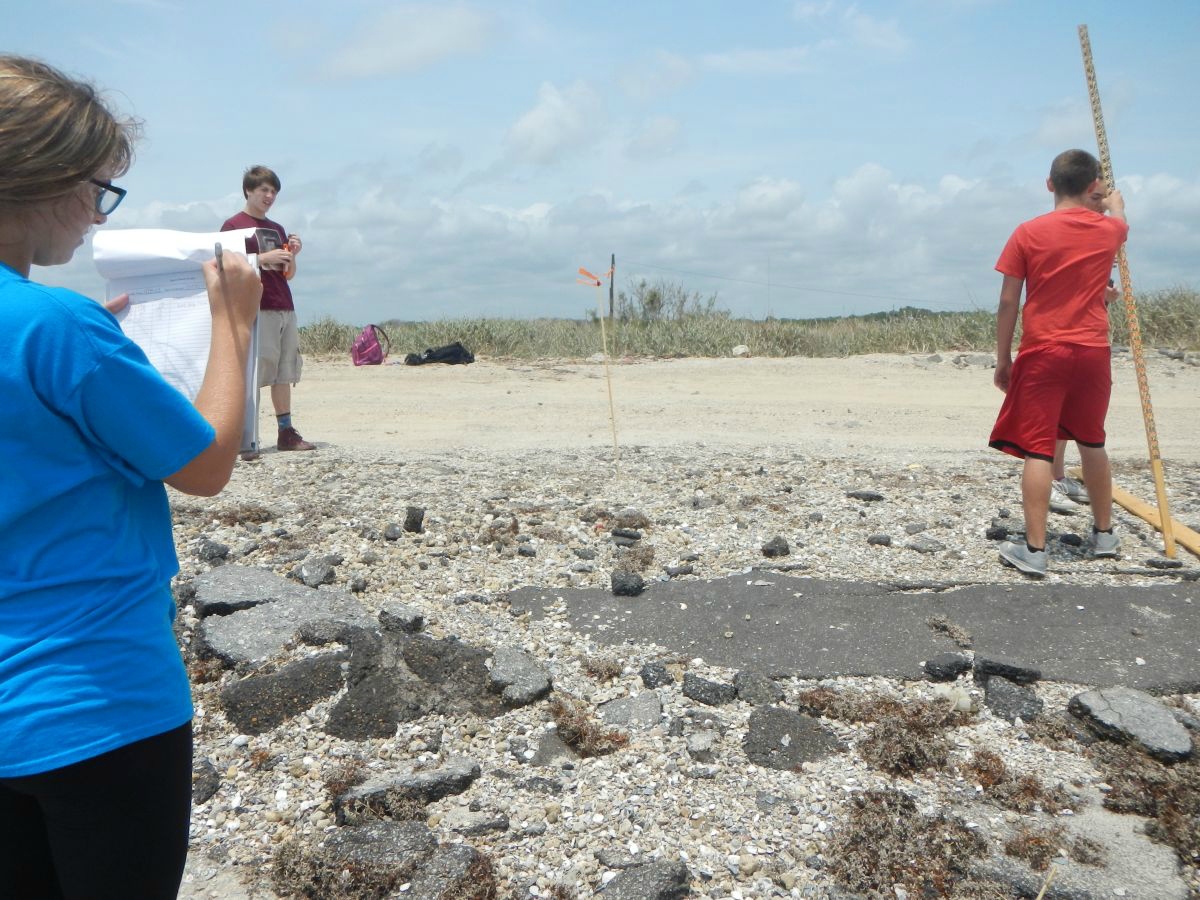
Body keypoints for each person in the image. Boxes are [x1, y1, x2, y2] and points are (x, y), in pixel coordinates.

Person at [0, 55, 262, 897]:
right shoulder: (58, 328)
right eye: (95, 189)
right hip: (95, 700)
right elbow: (206, 466)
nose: (95, 216)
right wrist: (233, 325)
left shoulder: (61, 330)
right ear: (34, 180)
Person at [989, 149, 1128, 577]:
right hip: (1091, 351)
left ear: (1049, 184)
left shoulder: (1028, 233)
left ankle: (1034, 550)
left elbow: (1008, 301)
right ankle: (1103, 534)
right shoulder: (1110, 231)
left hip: (1045, 349)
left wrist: (1003, 358)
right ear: (1092, 188)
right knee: (1092, 440)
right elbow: (1120, 224)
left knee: (1037, 447)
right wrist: (1113, 204)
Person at [221, 165, 315, 459]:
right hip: (255, 306)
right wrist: (262, 257)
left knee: (284, 371)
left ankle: (286, 431)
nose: (269, 195)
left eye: (273, 191)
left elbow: (287, 273)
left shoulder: (277, 228)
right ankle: (245, 436)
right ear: (248, 190)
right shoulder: (233, 226)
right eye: (263, 189)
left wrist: (292, 256)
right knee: (254, 371)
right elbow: (224, 265)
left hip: (283, 303)